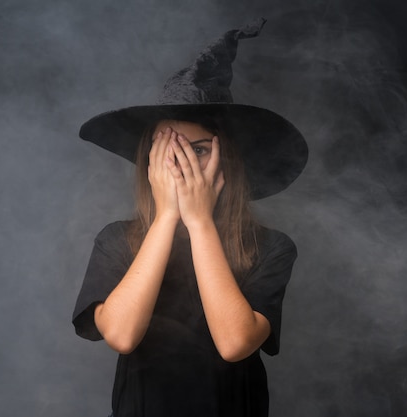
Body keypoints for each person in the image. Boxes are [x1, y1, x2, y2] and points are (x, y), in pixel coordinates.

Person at [72, 19, 308, 417]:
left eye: (198, 151)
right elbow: (122, 335)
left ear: (226, 161)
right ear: (149, 162)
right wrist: (166, 216)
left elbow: (235, 344)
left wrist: (199, 223)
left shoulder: (271, 246)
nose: (181, 166)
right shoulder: (117, 240)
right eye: (169, 149)